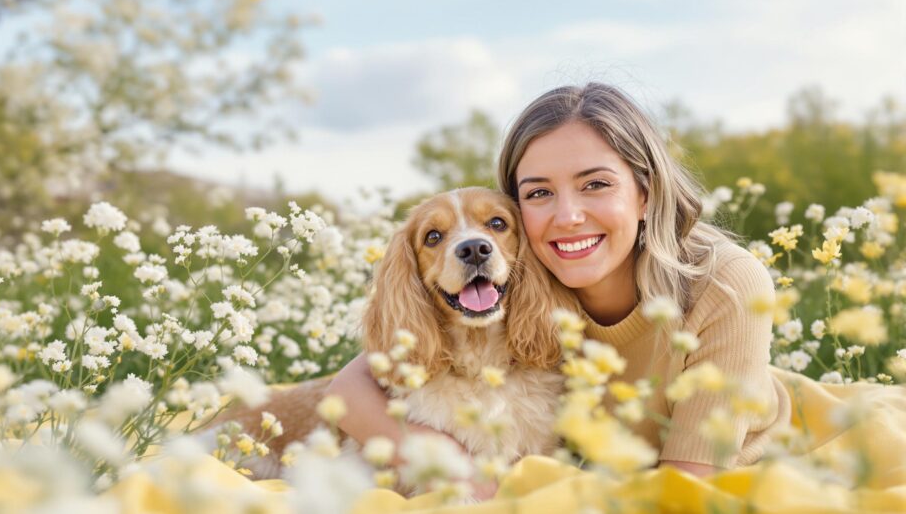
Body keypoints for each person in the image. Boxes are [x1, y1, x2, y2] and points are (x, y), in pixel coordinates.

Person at [326, 82, 791, 497]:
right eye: (540, 193)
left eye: (595, 184)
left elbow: (684, 493)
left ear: (645, 192)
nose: (567, 216)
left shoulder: (727, 283)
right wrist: (461, 471)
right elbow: (352, 384)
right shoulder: (522, 273)